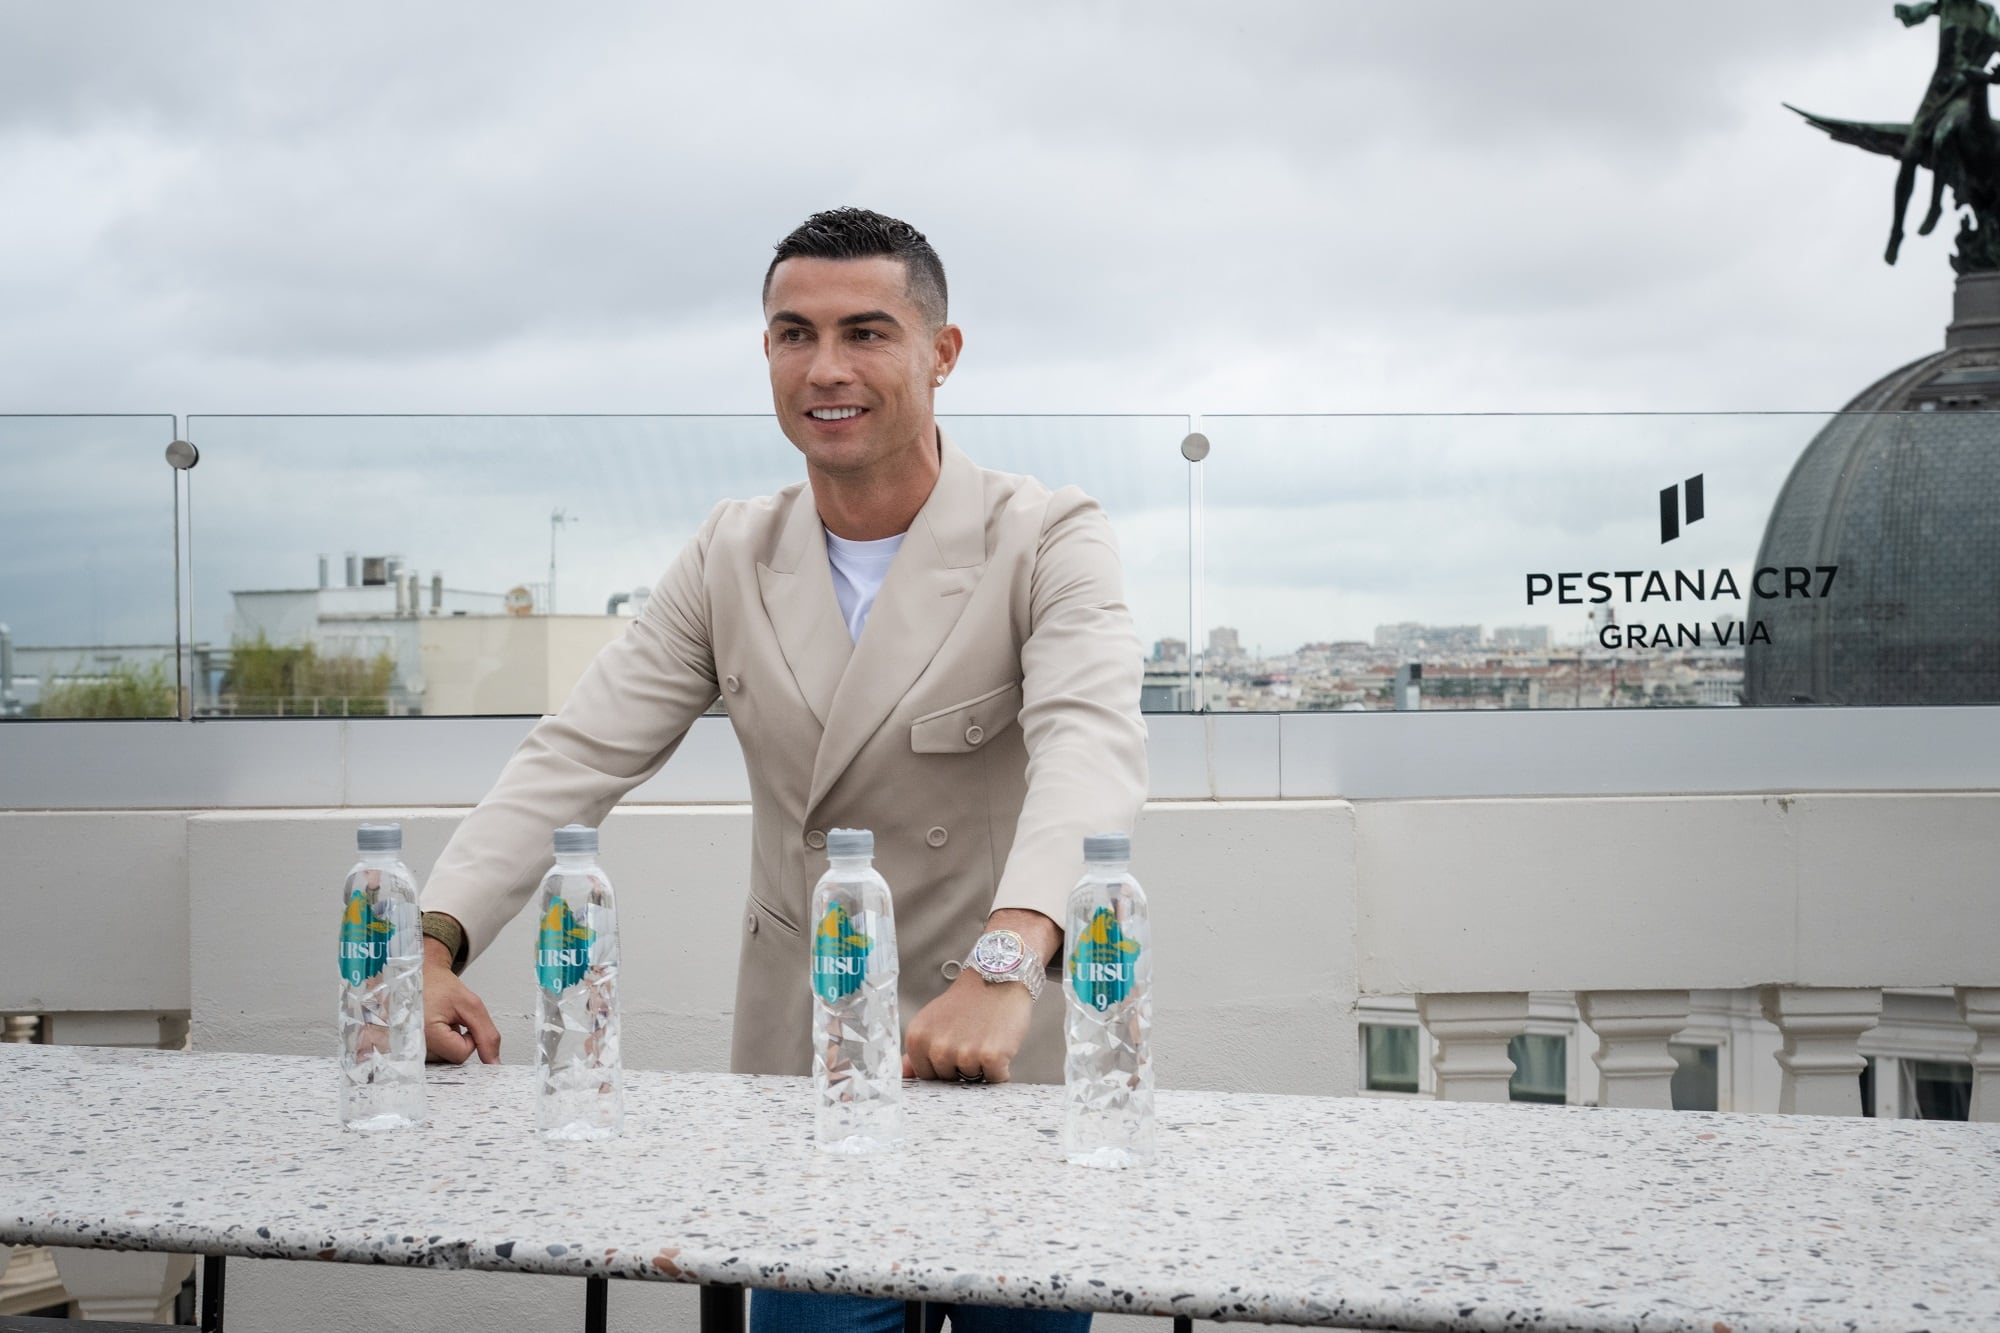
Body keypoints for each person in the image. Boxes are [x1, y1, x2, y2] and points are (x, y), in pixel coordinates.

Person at [415, 207, 1148, 1333]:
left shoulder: (1046, 535)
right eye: (792, 334)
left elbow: (1088, 749)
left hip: (1009, 1048)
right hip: (805, 1070)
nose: (826, 369)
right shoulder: (729, 551)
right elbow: (577, 751)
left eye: (866, 332)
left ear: (940, 353)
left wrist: (1005, 966)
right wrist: (430, 937)